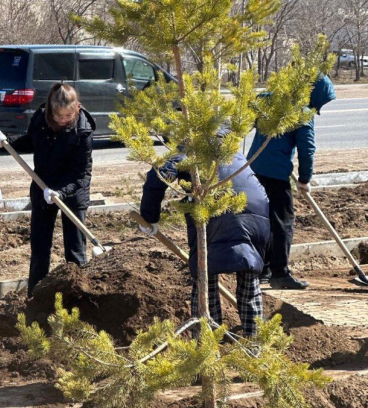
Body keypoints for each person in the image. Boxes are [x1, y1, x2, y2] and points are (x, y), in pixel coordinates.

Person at [140, 146, 270, 336]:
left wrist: (149, 217)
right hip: (256, 207)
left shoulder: (190, 143)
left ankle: (206, 343)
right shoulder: (230, 143)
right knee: (248, 272)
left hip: (211, 211)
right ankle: (256, 343)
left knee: (205, 278)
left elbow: (158, 177)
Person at [0, 83, 95, 298]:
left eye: (67, 116)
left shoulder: (83, 129)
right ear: (50, 110)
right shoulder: (40, 119)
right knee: (39, 248)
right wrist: (7, 143)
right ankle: (36, 297)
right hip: (42, 185)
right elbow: (32, 142)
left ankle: (77, 299)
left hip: (73, 191)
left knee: (74, 250)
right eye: (58, 116)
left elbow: (79, 173)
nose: (63, 120)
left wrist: (60, 192)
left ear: (76, 108)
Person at [247, 74, 336, 289]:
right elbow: (307, 149)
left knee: (265, 220)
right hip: (275, 175)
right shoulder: (303, 112)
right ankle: (280, 273)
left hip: (252, 169)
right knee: (283, 222)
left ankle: (264, 269)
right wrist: (305, 179)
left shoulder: (268, 99)